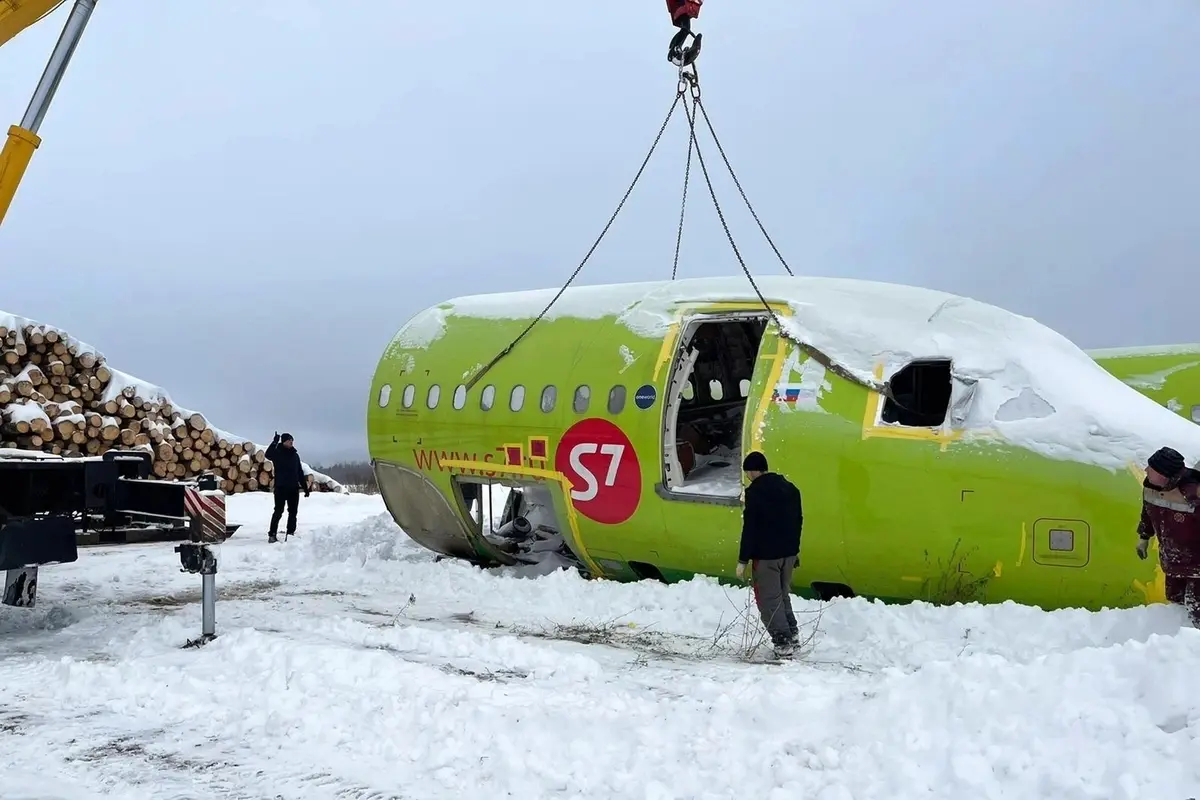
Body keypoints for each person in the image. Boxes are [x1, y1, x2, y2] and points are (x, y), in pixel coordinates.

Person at [735, 450, 804, 657]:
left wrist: (742, 559)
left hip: (766, 557)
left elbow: (751, 528)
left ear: (753, 471)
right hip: (788, 554)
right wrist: (794, 550)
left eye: (747, 472)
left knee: (768, 600)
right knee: (782, 595)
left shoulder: (755, 493)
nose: (747, 476)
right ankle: (792, 635)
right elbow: (798, 521)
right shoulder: (791, 489)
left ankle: (782, 642)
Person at [1137, 446, 1200, 626]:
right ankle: (1176, 643)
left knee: (1196, 609)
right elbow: (1147, 513)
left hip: (1197, 564)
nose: (1146, 470)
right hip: (1173, 561)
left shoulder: (1193, 493)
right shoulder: (1150, 487)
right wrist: (1143, 536)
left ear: (1164, 474)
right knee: (1176, 606)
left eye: (1151, 468)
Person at [265, 431, 309, 543]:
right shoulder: (277, 452)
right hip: (281, 487)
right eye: (289, 440)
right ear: (284, 441)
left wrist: (305, 487)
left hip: (293, 488)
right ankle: (272, 534)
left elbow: (299, 471)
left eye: (292, 440)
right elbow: (268, 455)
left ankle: (290, 535)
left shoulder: (295, 455)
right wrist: (274, 442)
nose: (291, 442)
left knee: (293, 512)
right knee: (278, 511)